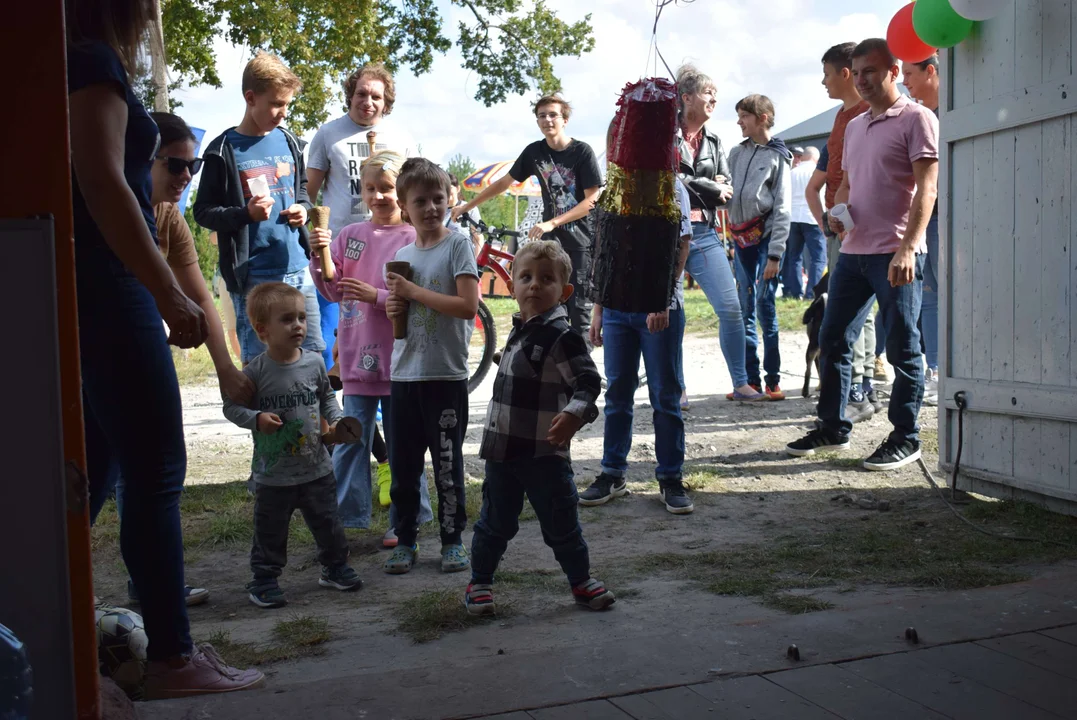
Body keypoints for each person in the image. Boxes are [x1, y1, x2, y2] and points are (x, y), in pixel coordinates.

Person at [66, 0, 262, 697]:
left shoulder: (68, 57)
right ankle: (173, 660)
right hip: (107, 287)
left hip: (87, 289)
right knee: (156, 470)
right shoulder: (89, 60)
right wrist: (164, 295)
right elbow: (100, 183)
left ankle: (59, 617)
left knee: (98, 468)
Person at [91, 112, 259, 608]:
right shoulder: (111, 210)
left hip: (128, 354)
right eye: (175, 165)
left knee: (130, 471)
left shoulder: (168, 219)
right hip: (95, 354)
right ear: (141, 160)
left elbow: (201, 296)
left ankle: (152, 588)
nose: (187, 177)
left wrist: (226, 368)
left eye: (194, 166)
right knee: (115, 471)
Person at [786, 38, 938, 471]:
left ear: (893, 70)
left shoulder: (918, 119)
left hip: (896, 251)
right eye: (858, 71)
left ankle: (906, 437)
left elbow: (928, 188)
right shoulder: (853, 125)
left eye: (872, 71)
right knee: (832, 340)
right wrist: (839, 214)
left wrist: (909, 246)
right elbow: (848, 184)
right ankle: (833, 427)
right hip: (852, 251)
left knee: (902, 346)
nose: (864, 80)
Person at [465, 240, 613, 615]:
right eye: (526, 277)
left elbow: (588, 382)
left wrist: (576, 414)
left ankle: (581, 582)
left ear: (563, 292)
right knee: (494, 521)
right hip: (503, 452)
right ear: (511, 286)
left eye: (546, 279)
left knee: (561, 521)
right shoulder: (520, 330)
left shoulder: (562, 336)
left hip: (544, 453)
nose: (534, 285)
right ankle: (479, 581)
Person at [308, 150, 434, 541]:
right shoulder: (350, 236)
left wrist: (375, 296)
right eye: (370, 189)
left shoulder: (415, 239)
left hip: (402, 360)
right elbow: (332, 288)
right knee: (349, 442)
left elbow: (420, 298)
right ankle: (348, 519)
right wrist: (319, 252)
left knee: (403, 444)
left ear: (402, 189)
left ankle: (407, 516)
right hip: (357, 361)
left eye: (386, 188)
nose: (379, 196)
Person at [223, 282, 364, 608]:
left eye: (301, 317)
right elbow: (232, 407)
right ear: (262, 330)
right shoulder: (255, 372)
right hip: (274, 474)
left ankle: (335, 567)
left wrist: (339, 419)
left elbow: (326, 398)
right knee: (270, 530)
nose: (298, 325)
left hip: (316, 467)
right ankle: (264, 579)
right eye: (287, 319)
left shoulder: (314, 363)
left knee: (328, 522)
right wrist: (256, 418)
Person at [193, 52, 324, 367]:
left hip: (297, 270)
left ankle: (319, 420)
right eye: (276, 104)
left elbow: (303, 190)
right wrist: (244, 215)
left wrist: (303, 210)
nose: (282, 113)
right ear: (250, 98)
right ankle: (267, 419)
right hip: (254, 276)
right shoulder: (222, 150)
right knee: (262, 365)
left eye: (287, 105)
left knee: (313, 360)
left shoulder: (291, 142)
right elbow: (203, 212)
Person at [383, 159, 480, 575]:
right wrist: (394, 305)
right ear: (404, 207)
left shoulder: (457, 244)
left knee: (446, 464)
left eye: (437, 199)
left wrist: (413, 292)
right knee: (403, 467)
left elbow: (467, 306)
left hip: (444, 377)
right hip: (404, 377)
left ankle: (453, 539)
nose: (430, 208)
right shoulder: (402, 254)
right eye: (419, 201)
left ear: (449, 200)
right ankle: (405, 539)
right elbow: (402, 316)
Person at [581, 177, 695, 514]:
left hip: (657, 307)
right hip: (616, 307)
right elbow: (605, 252)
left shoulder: (671, 186)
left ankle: (671, 477)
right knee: (617, 391)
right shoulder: (615, 185)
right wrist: (599, 308)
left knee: (665, 393)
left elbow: (682, 243)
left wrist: (663, 300)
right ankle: (612, 473)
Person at [452, 95, 601, 342]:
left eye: (552, 114)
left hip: (580, 242)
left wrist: (552, 222)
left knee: (578, 314)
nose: (547, 120)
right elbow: (503, 182)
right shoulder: (534, 151)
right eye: (542, 115)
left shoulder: (581, 152)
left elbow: (592, 201)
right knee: (546, 305)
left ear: (564, 119)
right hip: (551, 245)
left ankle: (581, 373)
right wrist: (467, 205)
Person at [306, 63, 416, 370]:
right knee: (333, 333)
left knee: (379, 329)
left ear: (386, 102)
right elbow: (308, 193)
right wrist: (315, 242)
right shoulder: (328, 134)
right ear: (350, 96)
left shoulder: (400, 137)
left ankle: (377, 406)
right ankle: (338, 405)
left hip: (389, 245)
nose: (368, 101)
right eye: (361, 93)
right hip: (342, 248)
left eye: (376, 97)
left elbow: (412, 190)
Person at [673, 65, 765, 402]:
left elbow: (727, 185)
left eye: (715, 93)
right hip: (667, 235)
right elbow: (669, 181)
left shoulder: (714, 139)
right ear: (686, 98)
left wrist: (708, 187)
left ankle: (740, 383)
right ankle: (677, 387)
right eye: (708, 93)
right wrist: (710, 187)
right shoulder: (664, 134)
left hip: (705, 231)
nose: (715, 99)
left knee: (730, 307)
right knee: (673, 315)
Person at [817, 42, 880, 420]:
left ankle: (858, 389)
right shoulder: (843, 117)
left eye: (827, 74)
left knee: (855, 312)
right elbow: (836, 174)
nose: (822, 82)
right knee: (854, 313)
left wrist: (846, 217)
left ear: (845, 73)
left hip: (858, 227)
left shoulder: (867, 113)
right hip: (841, 221)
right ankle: (858, 389)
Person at [728, 94, 792, 400]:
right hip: (741, 240)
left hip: (766, 239)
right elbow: (727, 190)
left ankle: (773, 379)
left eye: (744, 116)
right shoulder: (735, 154)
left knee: (765, 306)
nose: (739, 121)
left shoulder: (779, 157)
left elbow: (783, 209)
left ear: (762, 117)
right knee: (744, 308)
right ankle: (749, 380)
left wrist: (776, 254)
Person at [902, 53, 941, 406]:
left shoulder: (955, 115)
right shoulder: (921, 117)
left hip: (951, 220)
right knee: (929, 296)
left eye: (910, 74)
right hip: (926, 220)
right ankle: (936, 369)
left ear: (932, 71)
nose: (905, 82)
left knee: (949, 294)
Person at [784, 146, 827, 300]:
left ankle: (796, 292)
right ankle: (812, 293)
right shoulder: (817, 172)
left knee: (794, 257)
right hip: (812, 218)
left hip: (793, 218)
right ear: (816, 158)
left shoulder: (791, 173)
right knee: (818, 257)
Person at [447, 174, 483, 251]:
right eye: (443, 188)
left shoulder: (469, 208)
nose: (446, 191)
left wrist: (474, 262)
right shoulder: (436, 210)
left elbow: (478, 238)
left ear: (458, 189)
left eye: (449, 188)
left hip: (464, 257)